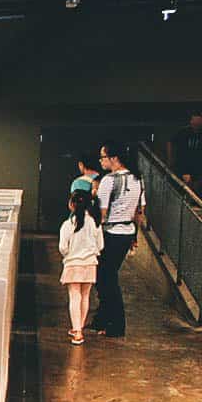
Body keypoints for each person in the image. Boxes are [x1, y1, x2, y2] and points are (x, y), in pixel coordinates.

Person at [88, 141, 145, 338]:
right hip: (127, 232)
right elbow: (139, 211)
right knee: (106, 277)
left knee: (106, 279)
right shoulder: (138, 179)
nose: (101, 160)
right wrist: (135, 236)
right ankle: (101, 319)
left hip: (110, 233)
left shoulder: (109, 181)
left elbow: (101, 214)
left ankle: (117, 324)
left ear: (114, 158)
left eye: (103, 157)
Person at [59, 189, 105, 346]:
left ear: (72, 204)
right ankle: (80, 329)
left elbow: (62, 247)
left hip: (73, 263)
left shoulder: (68, 225)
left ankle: (76, 331)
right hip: (91, 263)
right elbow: (101, 245)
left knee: (74, 296)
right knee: (85, 296)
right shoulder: (95, 223)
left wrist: (69, 255)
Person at [167, 111, 202, 192]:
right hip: (183, 165)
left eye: (198, 122)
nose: (196, 124)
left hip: (197, 166)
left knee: (196, 186)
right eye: (194, 122)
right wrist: (170, 159)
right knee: (186, 185)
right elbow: (170, 142)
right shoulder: (183, 132)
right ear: (191, 121)